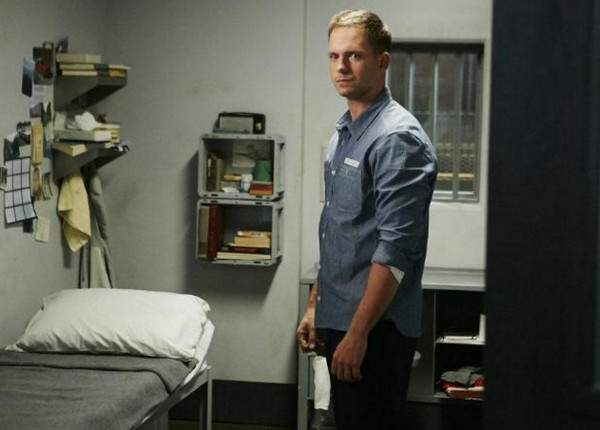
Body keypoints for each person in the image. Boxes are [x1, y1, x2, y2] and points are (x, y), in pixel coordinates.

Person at [297, 9, 438, 430]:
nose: (341, 66)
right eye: (333, 56)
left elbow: (395, 251)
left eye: (354, 55)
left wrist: (358, 333)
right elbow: (339, 232)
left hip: (375, 328)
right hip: (340, 316)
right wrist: (315, 305)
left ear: (382, 61)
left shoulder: (397, 139)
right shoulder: (344, 134)